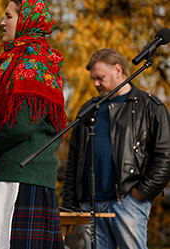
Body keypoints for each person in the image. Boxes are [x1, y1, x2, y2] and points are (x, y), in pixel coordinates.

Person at [0, 0, 67, 248]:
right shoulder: (18, 61)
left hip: (20, 179)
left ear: (26, 21)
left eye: (9, 16)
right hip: (12, 174)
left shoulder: (33, 64)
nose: (2, 22)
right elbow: (2, 121)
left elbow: (21, 125)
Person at [62, 48, 170, 249]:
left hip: (128, 202)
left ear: (118, 70)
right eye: (93, 78)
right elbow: (74, 160)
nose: (95, 84)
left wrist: (140, 193)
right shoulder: (87, 109)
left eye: (100, 78)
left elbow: (165, 157)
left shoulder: (150, 107)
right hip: (90, 206)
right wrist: (70, 205)